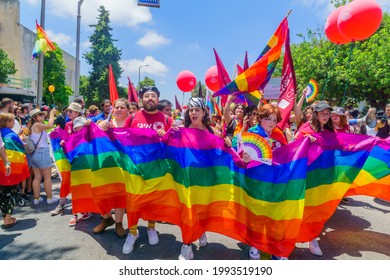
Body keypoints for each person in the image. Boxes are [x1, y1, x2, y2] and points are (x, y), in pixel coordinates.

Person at [122, 86, 172, 255]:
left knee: (153, 200)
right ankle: (133, 232)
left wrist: (165, 134)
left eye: (153, 96)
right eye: (146, 96)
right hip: (135, 167)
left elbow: (173, 140)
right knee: (134, 201)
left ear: (158, 99)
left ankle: (151, 228)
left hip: (157, 168)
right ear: (141, 99)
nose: (150, 98)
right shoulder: (133, 117)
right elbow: (122, 136)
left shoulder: (165, 118)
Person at [241, 104, 288, 260]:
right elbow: (237, 154)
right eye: (268, 118)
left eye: (274, 120)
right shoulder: (250, 134)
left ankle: (275, 247)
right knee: (257, 213)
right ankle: (254, 244)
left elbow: (288, 153)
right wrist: (244, 158)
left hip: (275, 179)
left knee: (274, 213)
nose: (272, 122)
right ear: (259, 118)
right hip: (256, 179)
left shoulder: (279, 135)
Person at [295, 101, 335, 257]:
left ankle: (312, 238)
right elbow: (295, 148)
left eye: (327, 113)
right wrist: (307, 142)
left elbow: (336, 149)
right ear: (316, 114)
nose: (325, 116)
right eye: (322, 113)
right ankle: (293, 238)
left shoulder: (331, 131)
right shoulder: (306, 129)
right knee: (303, 207)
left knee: (317, 209)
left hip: (324, 175)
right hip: (307, 174)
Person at [93, 98, 131, 238]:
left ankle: (119, 223)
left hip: (123, 165)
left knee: (119, 194)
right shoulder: (105, 123)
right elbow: (93, 135)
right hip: (106, 164)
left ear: (128, 109)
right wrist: (98, 126)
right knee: (100, 191)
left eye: (122, 107)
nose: (119, 109)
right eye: (117, 107)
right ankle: (106, 218)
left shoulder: (131, 124)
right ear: (113, 110)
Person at [51, 102, 92, 226]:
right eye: (67, 111)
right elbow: (68, 138)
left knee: (82, 185)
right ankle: (68, 208)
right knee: (68, 182)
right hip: (69, 158)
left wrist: (90, 125)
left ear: (78, 113)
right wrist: (63, 141)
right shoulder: (67, 124)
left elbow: (91, 137)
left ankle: (84, 209)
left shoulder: (86, 123)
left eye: (71, 111)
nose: (68, 113)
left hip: (83, 159)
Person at [25, 108, 59, 206]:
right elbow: (50, 125)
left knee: (37, 177)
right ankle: (49, 198)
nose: (43, 116)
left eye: (43, 115)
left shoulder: (31, 126)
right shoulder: (37, 125)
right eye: (40, 115)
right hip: (42, 152)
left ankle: (37, 198)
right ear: (35, 117)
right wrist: (52, 114)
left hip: (35, 153)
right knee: (47, 177)